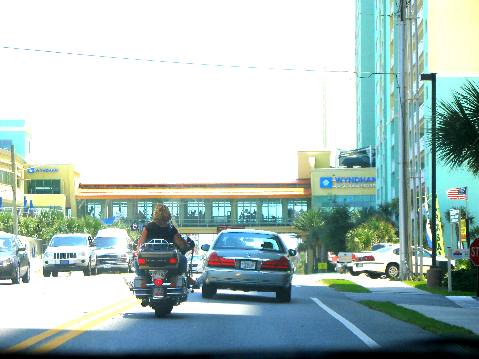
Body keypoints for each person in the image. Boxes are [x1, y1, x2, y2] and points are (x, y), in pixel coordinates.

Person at [134, 204, 196, 286]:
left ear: (155, 214)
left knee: (137, 260)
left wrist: (138, 251)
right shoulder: (171, 228)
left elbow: (140, 244)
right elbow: (181, 245)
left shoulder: (148, 227)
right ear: (168, 214)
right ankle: (173, 280)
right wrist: (187, 246)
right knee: (182, 259)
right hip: (168, 258)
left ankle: (144, 279)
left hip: (149, 258)